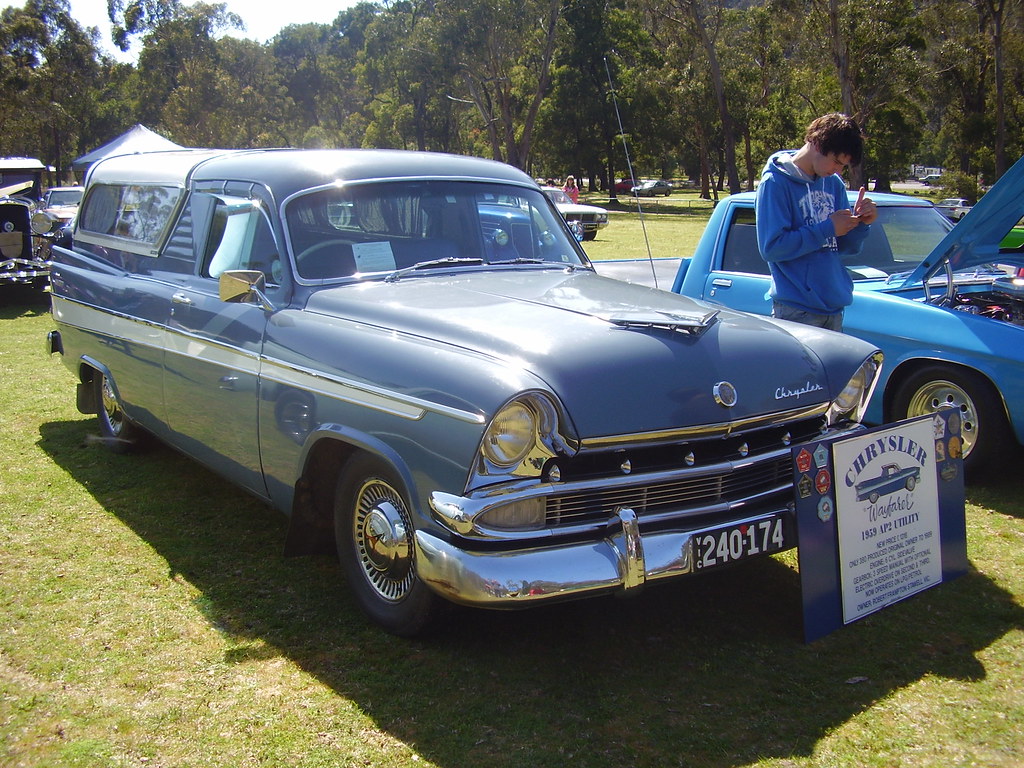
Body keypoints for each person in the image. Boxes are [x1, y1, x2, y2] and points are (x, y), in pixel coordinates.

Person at [755, 113, 877, 332]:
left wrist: (860, 223)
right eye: (837, 162)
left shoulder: (833, 184)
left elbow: (845, 247)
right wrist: (828, 228)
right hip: (796, 310)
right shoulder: (775, 183)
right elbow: (771, 248)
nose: (838, 171)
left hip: (833, 308)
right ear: (817, 143)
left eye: (843, 166)